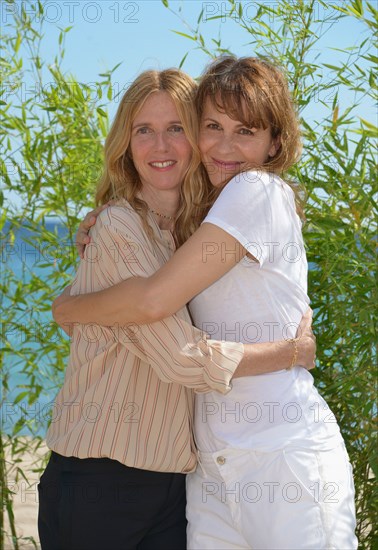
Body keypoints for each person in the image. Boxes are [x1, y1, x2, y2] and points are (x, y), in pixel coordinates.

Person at [55, 56, 357, 549]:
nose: (223, 145)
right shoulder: (187, 224)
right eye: (212, 126)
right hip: (204, 468)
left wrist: (68, 307)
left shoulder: (254, 189)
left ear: (275, 141)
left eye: (245, 131)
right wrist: (76, 292)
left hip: (280, 456)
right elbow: (139, 320)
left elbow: (153, 304)